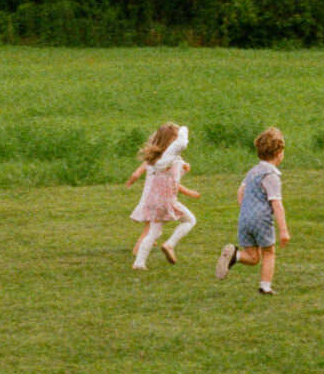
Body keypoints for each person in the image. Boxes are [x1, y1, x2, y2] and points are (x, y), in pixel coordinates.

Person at [215, 127, 290, 294]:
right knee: (268, 252)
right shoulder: (271, 176)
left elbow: (240, 192)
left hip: (245, 218)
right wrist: (284, 230)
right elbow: (276, 204)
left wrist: (247, 211)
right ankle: (265, 287)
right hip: (261, 219)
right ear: (279, 153)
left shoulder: (252, 172)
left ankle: (235, 256)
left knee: (253, 257)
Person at [123, 121, 199, 269]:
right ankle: (170, 244)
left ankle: (139, 262)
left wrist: (183, 167)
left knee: (154, 232)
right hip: (167, 201)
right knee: (190, 221)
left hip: (154, 202)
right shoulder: (168, 158)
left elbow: (170, 177)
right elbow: (179, 150)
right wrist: (184, 129)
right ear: (170, 141)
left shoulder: (155, 159)